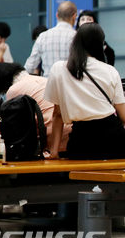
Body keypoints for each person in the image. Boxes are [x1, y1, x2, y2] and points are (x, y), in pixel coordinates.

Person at [45, 23, 125, 160]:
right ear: (100, 44)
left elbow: (57, 115)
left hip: (81, 140)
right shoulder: (110, 71)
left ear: (76, 42)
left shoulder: (58, 69)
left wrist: (54, 152)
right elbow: (123, 115)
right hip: (113, 137)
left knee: (80, 180)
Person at [0, 63, 70, 154]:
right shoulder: (42, 79)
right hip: (68, 133)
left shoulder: (14, 90)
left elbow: (13, 124)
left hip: (51, 140)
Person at [24, 1, 77, 77]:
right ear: (74, 16)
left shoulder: (42, 36)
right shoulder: (77, 36)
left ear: (57, 15)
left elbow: (30, 67)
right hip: (70, 85)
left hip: (48, 84)